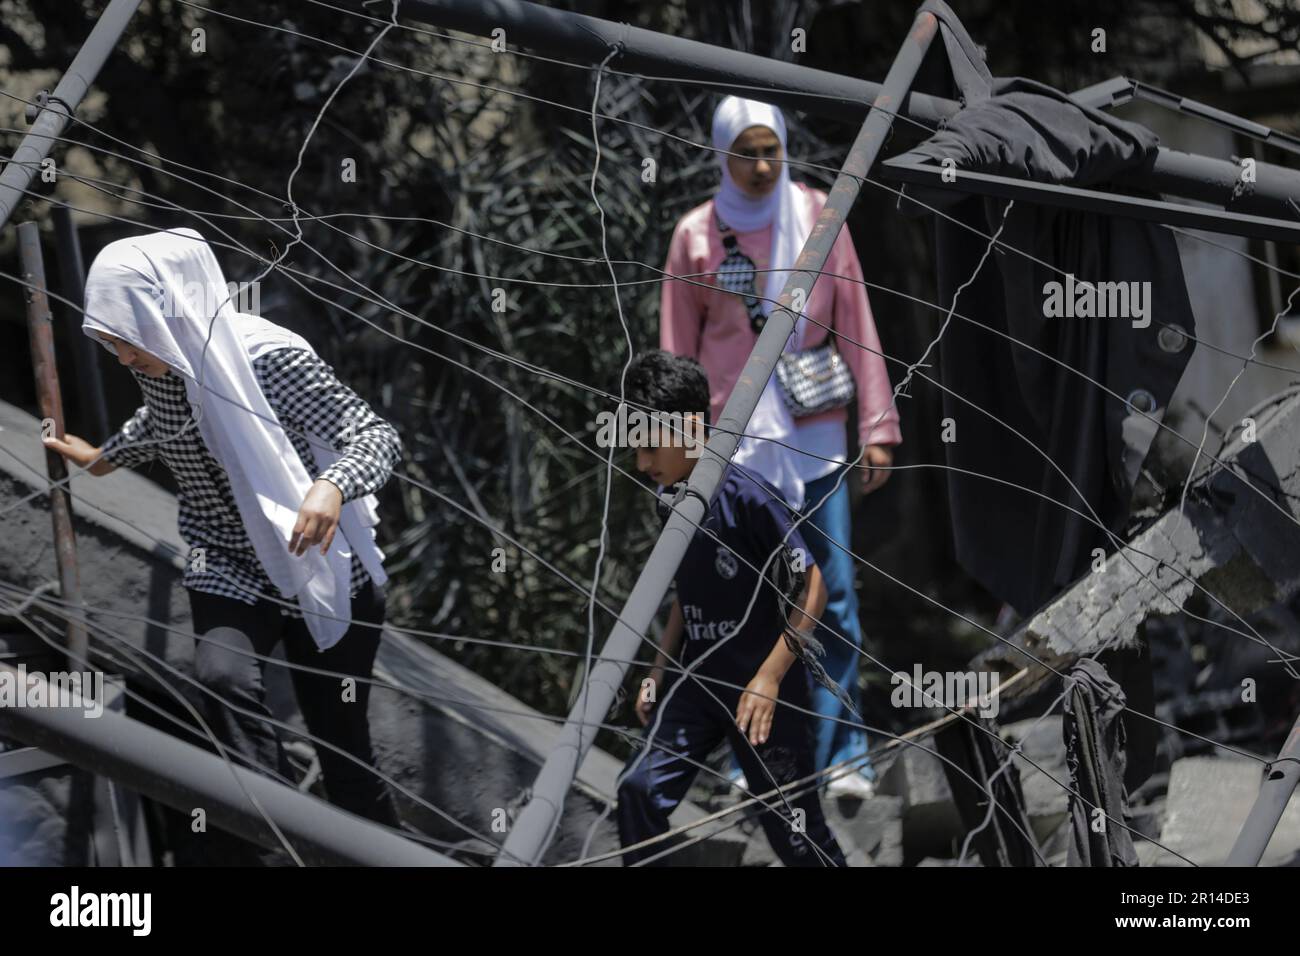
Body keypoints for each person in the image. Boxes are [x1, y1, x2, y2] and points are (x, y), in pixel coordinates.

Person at [44, 228, 403, 858]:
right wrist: (106, 458)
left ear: (163, 312)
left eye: (126, 339)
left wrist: (332, 487)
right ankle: (276, 841)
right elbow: (167, 421)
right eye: (111, 344)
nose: (124, 358)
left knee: (342, 745)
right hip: (227, 560)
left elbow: (374, 436)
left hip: (318, 558)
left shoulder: (269, 360)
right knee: (222, 676)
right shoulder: (161, 363)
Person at [659, 95, 901, 797]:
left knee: (838, 592)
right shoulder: (696, 238)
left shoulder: (819, 220)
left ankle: (844, 750)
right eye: (747, 151)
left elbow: (856, 318)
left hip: (817, 440)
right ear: (722, 155)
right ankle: (753, 754)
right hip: (736, 452)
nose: (762, 165)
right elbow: (679, 351)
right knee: (754, 601)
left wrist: (878, 429)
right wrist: (680, 452)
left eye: (772, 150)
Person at [615, 350, 846, 867]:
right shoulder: (670, 499)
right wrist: (658, 668)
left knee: (797, 833)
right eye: (636, 448)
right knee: (638, 790)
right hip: (697, 682)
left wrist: (768, 678)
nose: (642, 464)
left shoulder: (748, 497)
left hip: (763, 694)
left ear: (693, 428)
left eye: (651, 447)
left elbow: (813, 588)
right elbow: (684, 586)